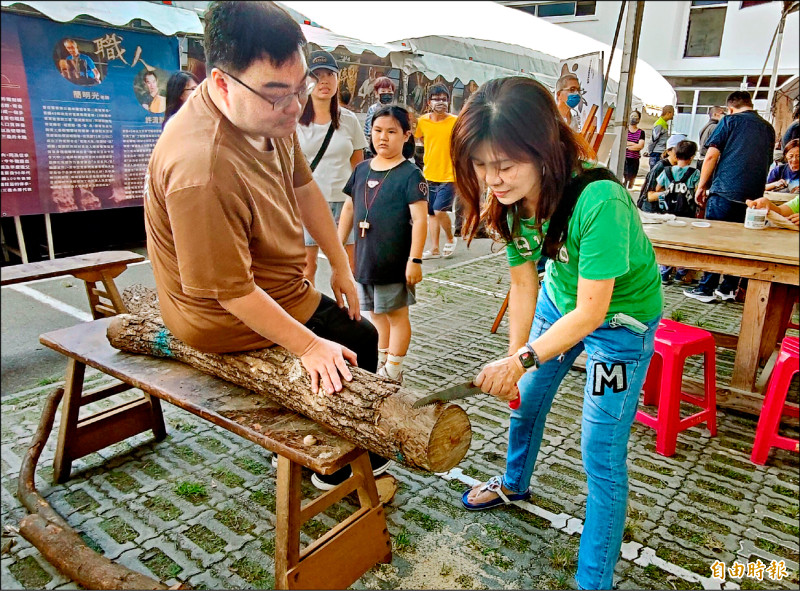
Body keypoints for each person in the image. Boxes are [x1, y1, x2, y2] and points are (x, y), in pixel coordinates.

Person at [143, 0, 387, 490]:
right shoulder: (201, 168)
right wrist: (310, 346)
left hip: (272, 284)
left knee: (351, 331)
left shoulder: (268, 114)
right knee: (358, 342)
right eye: (277, 95)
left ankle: (321, 444)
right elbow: (229, 293)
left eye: (299, 89)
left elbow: (303, 188)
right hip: (216, 314)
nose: (294, 108)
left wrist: (339, 263)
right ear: (220, 83)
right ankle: (335, 465)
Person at [451, 77, 662, 591]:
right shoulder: (508, 201)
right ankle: (513, 485)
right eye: (480, 165)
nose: (492, 179)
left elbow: (593, 314)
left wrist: (520, 360)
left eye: (504, 165)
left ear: (542, 150)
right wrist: (514, 363)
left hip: (619, 324)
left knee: (599, 450)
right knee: (523, 401)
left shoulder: (600, 201)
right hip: (557, 302)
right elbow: (524, 284)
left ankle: (594, 580)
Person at [339, 105, 428, 385]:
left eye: (391, 131)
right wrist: (338, 245)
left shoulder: (410, 175)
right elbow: (349, 208)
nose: (383, 137)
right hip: (367, 258)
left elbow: (421, 220)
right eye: (377, 131)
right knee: (375, 313)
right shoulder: (362, 169)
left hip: (395, 261)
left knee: (397, 314)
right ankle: (383, 361)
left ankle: (394, 369)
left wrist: (415, 260)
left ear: (406, 135)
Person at [685, 90, 775, 304]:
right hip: (754, 197)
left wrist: (701, 185)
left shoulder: (729, 121)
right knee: (741, 244)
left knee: (715, 240)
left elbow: (711, 156)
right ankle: (728, 288)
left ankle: (706, 288)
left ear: (730, 108)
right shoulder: (768, 128)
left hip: (725, 189)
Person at [297, 50, 366, 284]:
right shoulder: (294, 120)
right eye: (316, 75)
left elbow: (359, 166)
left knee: (350, 267)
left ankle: (353, 316)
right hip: (308, 203)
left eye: (330, 74)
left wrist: (361, 201)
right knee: (307, 268)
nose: (323, 81)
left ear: (338, 79)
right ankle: (309, 319)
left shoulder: (349, 120)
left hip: (345, 203)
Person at [414, 84, 458, 259]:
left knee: (440, 210)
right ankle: (434, 249)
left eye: (444, 99)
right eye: (436, 98)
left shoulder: (455, 122)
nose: (440, 102)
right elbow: (419, 139)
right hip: (429, 174)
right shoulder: (422, 122)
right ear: (428, 102)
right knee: (431, 213)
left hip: (450, 175)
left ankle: (450, 238)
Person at [647, 139, 700, 284]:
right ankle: (681, 272)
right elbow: (697, 193)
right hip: (687, 215)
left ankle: (664, 272)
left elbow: (657, 190)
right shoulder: (695, 173)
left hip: (668, 214)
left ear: (675, 154)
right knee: (684, 243)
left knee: (669, 242)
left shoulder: (667, 171)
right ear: (691, 157)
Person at [637, 133, 685, 213]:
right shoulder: (661, 167)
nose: (680, 154)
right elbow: (650, 196)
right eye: (677, 150)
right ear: (669, 151)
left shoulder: (681, 168)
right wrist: (671, 193)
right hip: (653, 211)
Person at [363, 77, 396, 149]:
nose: (386, 94)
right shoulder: (373, 109)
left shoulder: (396, 110)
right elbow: (369, 132)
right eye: (383, 92)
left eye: (389, 91)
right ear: (376, 94)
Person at [623, 110, 645, 188]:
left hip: (634, 159)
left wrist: (628, 146)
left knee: (631, 180)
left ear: (639, 119)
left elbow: (640, 146)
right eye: (632, 116)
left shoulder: (641, 132)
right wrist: (635, 144)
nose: (633, 118)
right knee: (624, 179)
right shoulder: (625, 130)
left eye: (635, 117)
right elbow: (623, 142)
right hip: (625, 158)